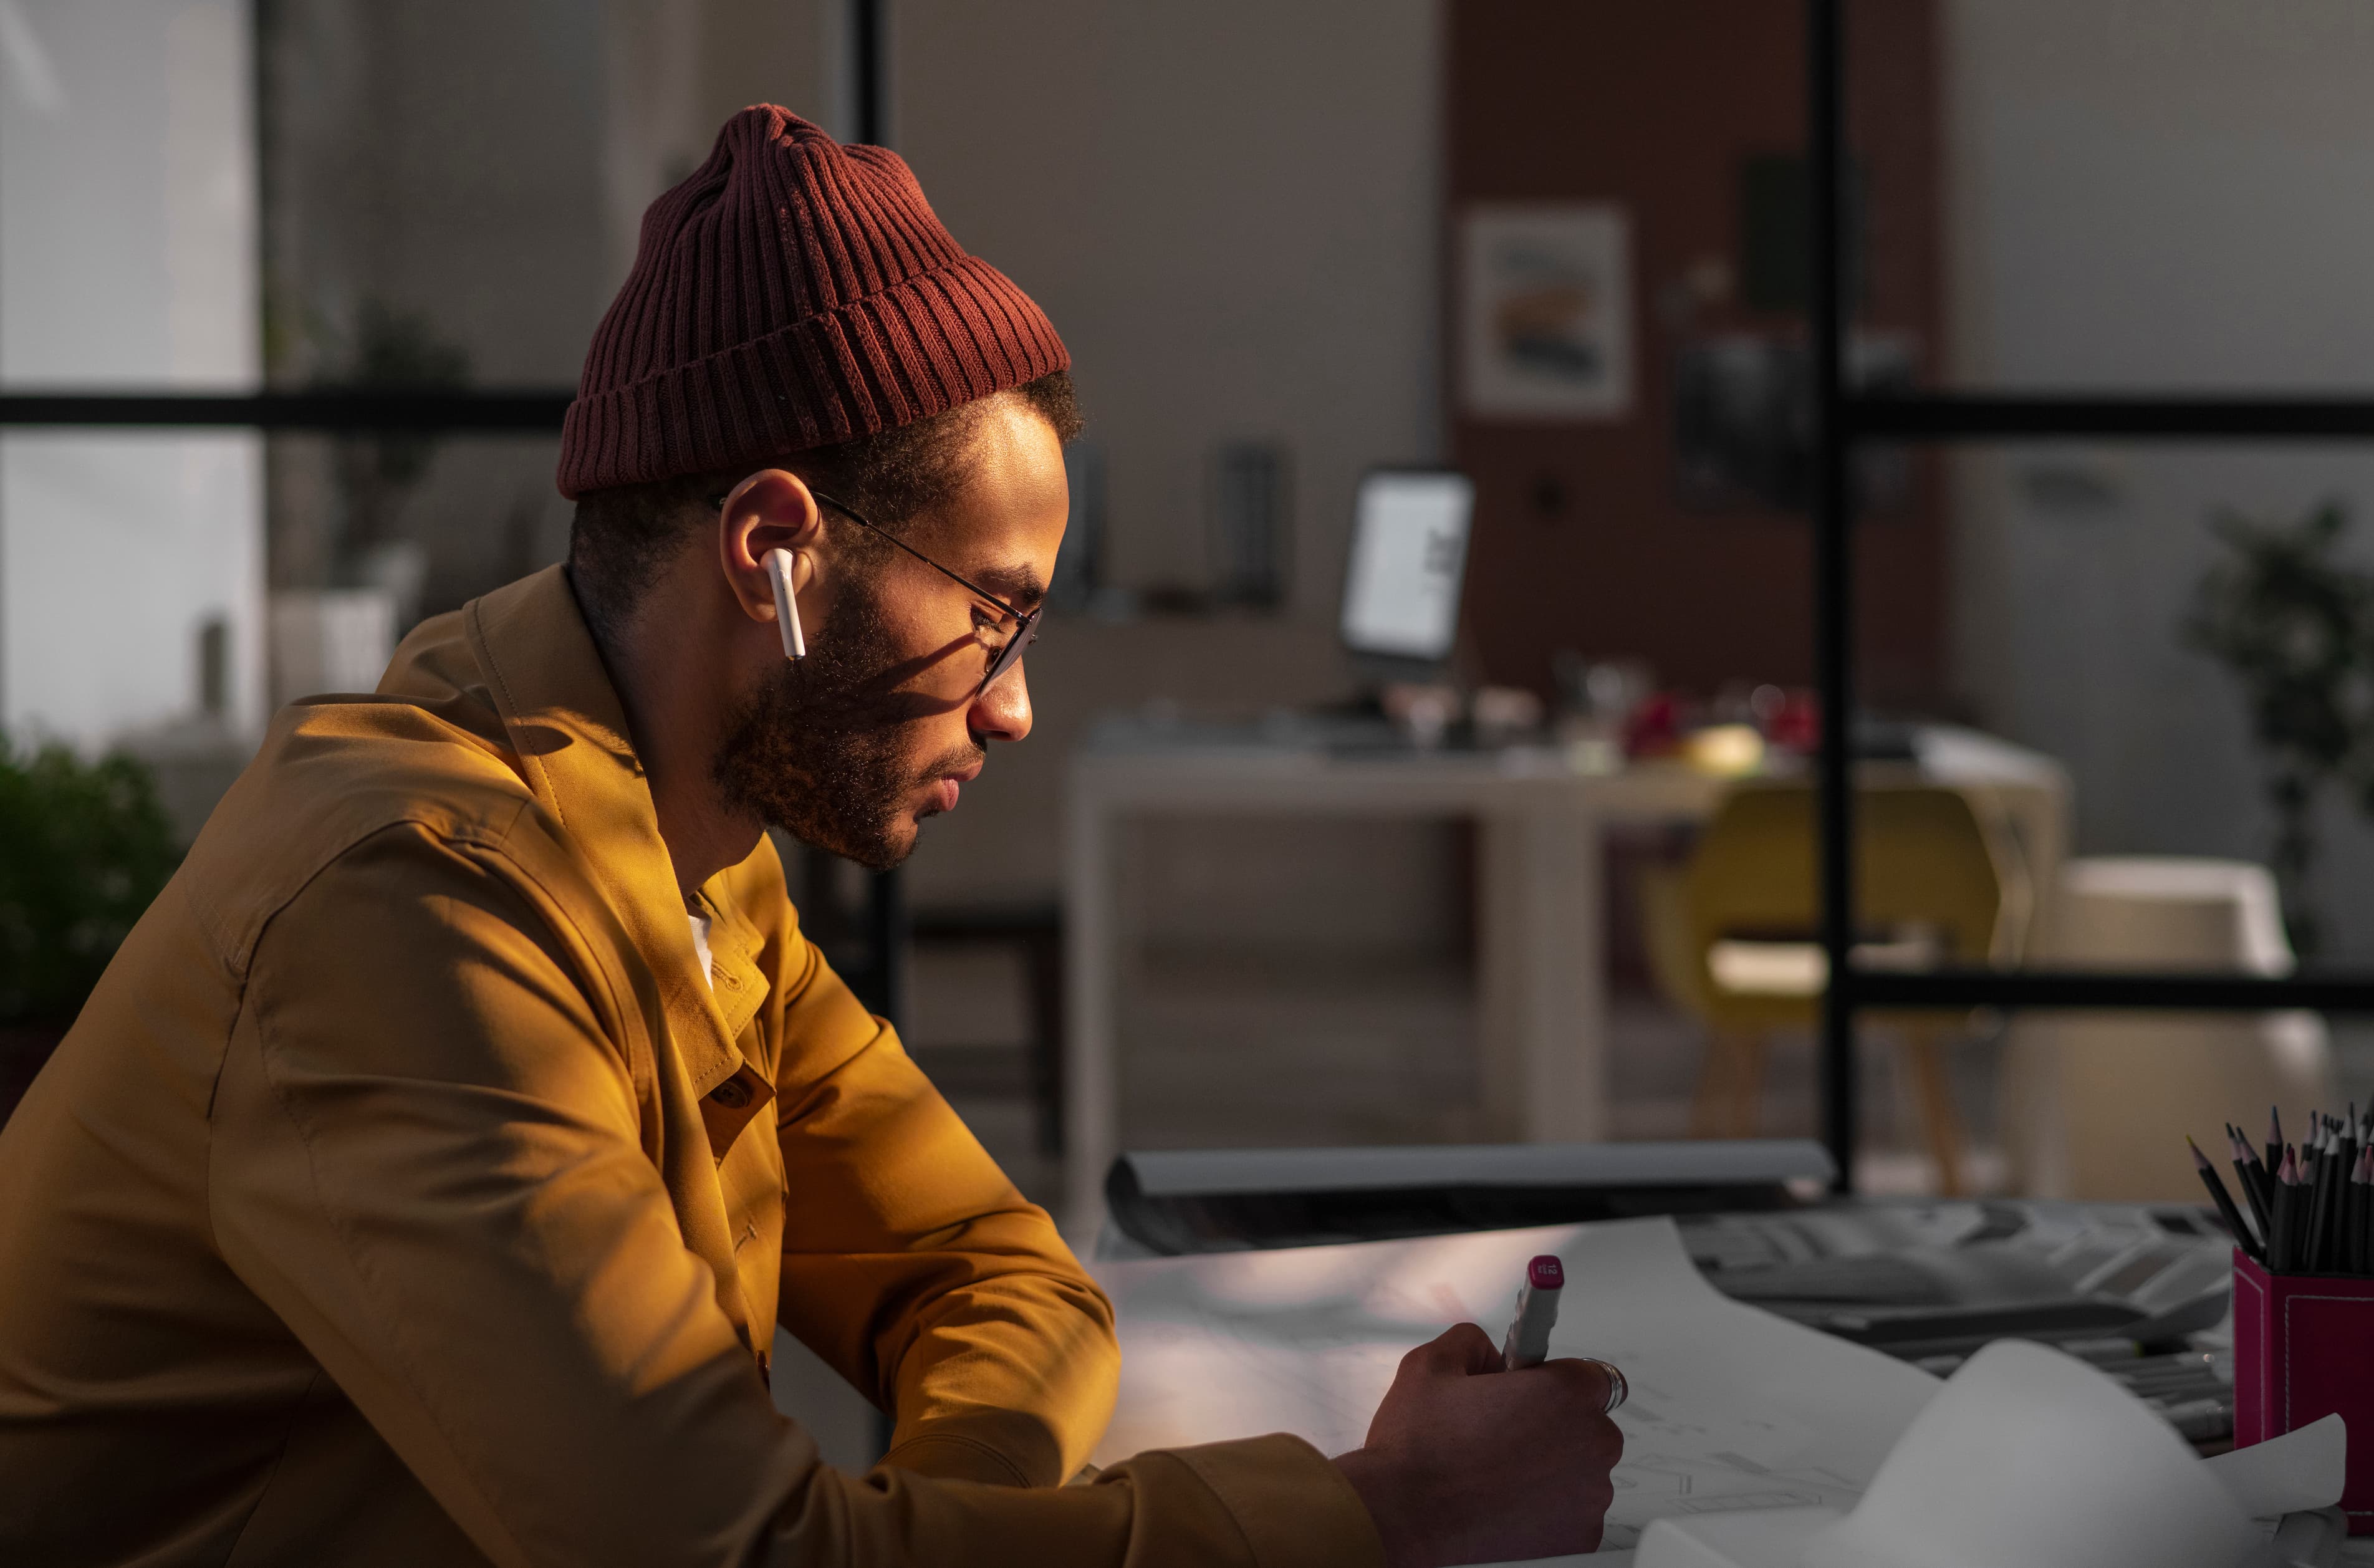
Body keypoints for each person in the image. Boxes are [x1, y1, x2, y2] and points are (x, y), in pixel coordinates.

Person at [0, 106, 1622, 1567]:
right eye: (995, 613)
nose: (1015, 707)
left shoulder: (690, 854)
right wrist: (1384, 1513)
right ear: (774, 546)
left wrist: (960, 1529)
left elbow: (1003, 1274)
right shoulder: (419, 910)